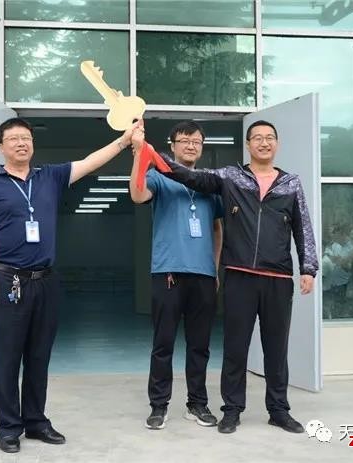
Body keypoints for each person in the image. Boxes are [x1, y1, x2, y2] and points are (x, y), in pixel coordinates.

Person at [131, 119, 318, 435]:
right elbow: (181, 179)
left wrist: (308, 268)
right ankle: (226, 410)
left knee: (271, 349)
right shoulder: (231, 177)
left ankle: (275, 410)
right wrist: (145, 152)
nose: (263, 143)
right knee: (230, 348)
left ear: (277, 143)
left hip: (271, 275)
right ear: (247, 144)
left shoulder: (290, 183)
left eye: (269, 137)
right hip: (228, 275)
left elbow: (303, 227)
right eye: (257, 138)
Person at [0, 117, 137, 454]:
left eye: (26, 138)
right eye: (14, 138)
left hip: (45, 280)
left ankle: (35, 421)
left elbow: (90, 162)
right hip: (8, 279)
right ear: (1, 147)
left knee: (39, 356)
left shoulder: (50, 177)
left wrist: (124, 140)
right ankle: (9, 427)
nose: (21, 143)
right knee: (7, 357)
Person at [129, 121, 223, 430]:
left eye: (197, 141)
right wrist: (139, 154)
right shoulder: (159, 176)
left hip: (203, 275)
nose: (191, 146)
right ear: (172, 145)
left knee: (200, 345)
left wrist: (214, 267)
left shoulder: (209, 183)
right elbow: (137, 195)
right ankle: (159, 406)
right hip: (168, 272)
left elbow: (217, 228)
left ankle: (197, 404)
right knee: (163, 343)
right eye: (184, 140)